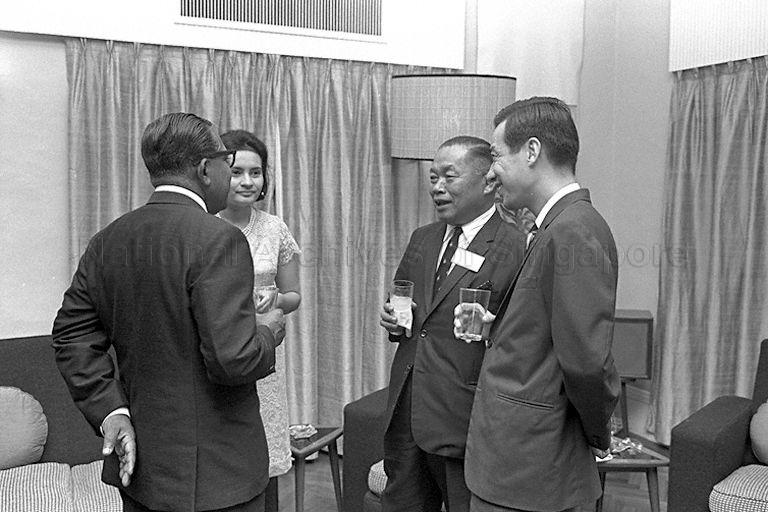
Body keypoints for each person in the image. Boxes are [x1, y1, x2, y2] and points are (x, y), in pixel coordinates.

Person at [52, 112, 286, 512]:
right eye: (226, 164)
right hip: (220, 476)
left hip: (143, 473)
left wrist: (111, 412)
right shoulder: (219, 239)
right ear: (204, 169)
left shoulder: (108, 240)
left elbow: (71, 335)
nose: (231, 177)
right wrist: (268, 331)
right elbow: (233, 360)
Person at [460, 97, 621, 512]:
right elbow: (553, 330)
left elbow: (585, 360)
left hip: (533, 472)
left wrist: (598, 433)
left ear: (531, 152)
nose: (492, 170)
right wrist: (499, 326)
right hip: (515, 467)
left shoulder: (573, 231)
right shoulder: (557, 226)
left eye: (497, 155)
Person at [379, 136, 526, 512]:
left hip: (465, 415)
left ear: (489, 182)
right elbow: (411, 314)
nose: (437, 188)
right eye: (432, 178)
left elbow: (522, 336)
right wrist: (393, 322)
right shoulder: (423, 239)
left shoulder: (515, 247)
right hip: (407, 409)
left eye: (449, 176)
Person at [217, 129, 301, 511]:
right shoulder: (204, 225)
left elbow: (294, 295)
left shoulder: (275, 229)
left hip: (264, 353)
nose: (247, 181)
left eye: (256, 172)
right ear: (218, 172)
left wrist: (276, 299)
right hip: (217, 352)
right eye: (236, 172)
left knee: (264, 456)